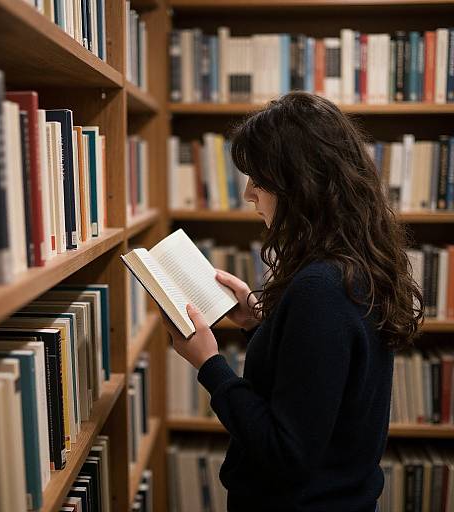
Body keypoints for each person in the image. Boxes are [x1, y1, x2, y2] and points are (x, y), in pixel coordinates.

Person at [159, 91, 423, 512]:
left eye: (258, 179)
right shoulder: (355, 262)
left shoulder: (322, 288)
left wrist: (210, 365)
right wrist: (259, 324)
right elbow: (319, 385)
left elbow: (287, 452)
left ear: (300, 184)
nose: (248, 194)